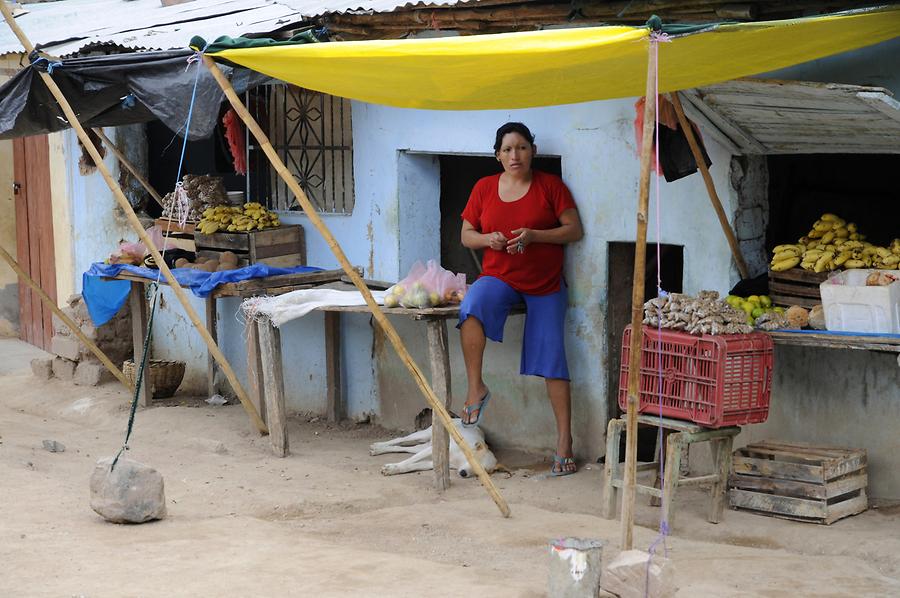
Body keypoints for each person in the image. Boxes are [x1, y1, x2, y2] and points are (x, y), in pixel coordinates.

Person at [457, 122, 584, 477]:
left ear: (533, 151)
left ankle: (564, 442)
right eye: (508, 149)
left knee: (553, 358)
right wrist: (488, 240)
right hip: (500, 277)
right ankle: (475, 388)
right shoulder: (483, 188)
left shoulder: (550, 186)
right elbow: (467, 234)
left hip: (545, 284)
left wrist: (535, 236)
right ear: (497, 155)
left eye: (522, 147)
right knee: (470, 308)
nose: (515, 155)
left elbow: (574, 230)